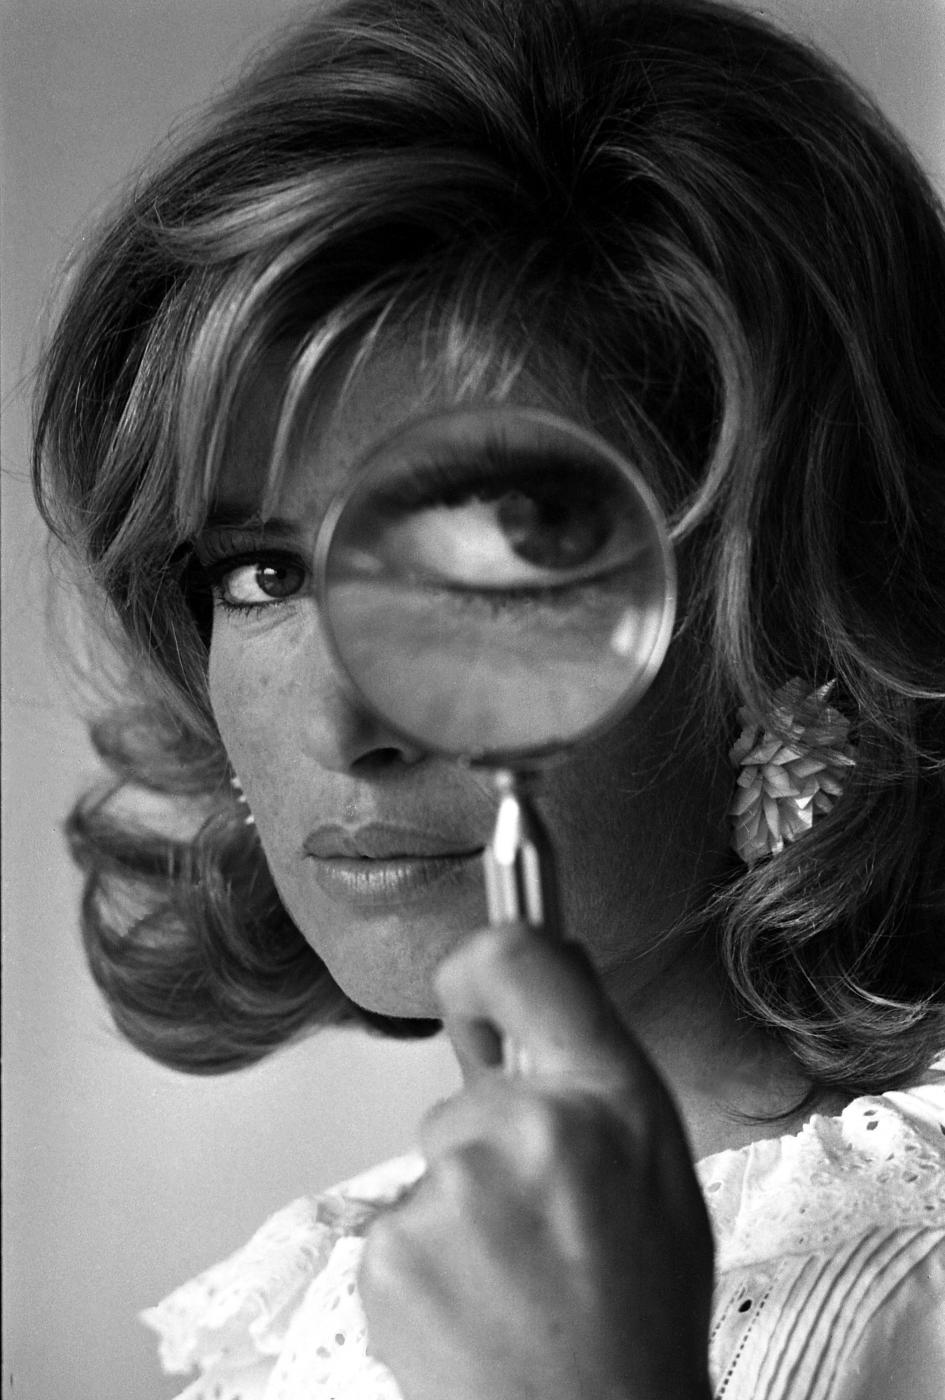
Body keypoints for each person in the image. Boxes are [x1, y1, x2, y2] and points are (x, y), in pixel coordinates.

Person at [31, 0, 945, 1396]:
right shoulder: (301, 1312)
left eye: (497, 562)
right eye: (262, 571)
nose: (343, 724)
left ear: (800, 605)